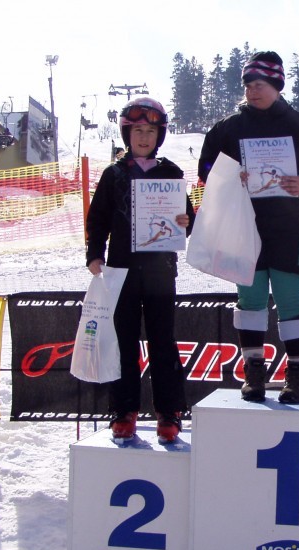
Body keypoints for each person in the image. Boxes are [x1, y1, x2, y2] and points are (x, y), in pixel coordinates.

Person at [198, 50, 299, 404]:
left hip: (290, 229)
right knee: (250, 300)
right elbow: (205, 169)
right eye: (247, 84)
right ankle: (254, 373)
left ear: (277, 85)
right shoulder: (228, 129)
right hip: (243, 229)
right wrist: (231, 175)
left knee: (291, 299)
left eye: (259, 84)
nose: (252, 91)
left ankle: (297, 375)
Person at [86, 96, 195, 444]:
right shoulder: (114, 174)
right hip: (122, 272)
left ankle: (169, 411)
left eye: (150, 131)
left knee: (163, 342)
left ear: (159, 136)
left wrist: (186, 221)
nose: (144, 137)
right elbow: (98, 219)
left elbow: (189, 219)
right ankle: (124, 410)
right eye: (137, 131)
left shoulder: (171, 172)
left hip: (161, 272)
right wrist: (94, 253)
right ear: (127, 135)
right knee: (124, 342)